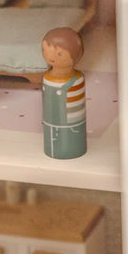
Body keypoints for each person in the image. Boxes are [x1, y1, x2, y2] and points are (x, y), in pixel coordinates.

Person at [40, 27, 88, 159]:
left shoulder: (77, 80)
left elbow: (76, 110)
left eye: (59, 54)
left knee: (71, 137)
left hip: (72, 126)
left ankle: (70, 150)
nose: (51, 57)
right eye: (45, 49)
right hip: (51, 123)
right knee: (53, 138)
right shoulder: (47, 79)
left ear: (75, 55)